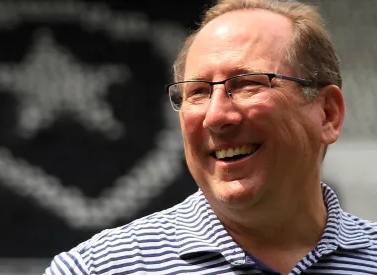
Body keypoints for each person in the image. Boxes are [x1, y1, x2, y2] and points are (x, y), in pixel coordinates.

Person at [45, 0, 377, 274]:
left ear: (328, 114)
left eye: (248, 84)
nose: (216, 116)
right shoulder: (96, 268)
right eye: (198, 92)